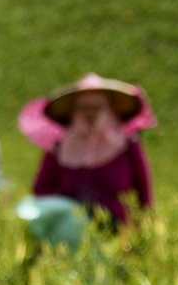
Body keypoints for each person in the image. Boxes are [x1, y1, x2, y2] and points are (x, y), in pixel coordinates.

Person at [28, 73, 154, 230]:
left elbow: (144, 190)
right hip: (70, 230)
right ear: (74, 110)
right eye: (84, 108)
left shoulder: (126, 145)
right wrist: (60, 210)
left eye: (97, 107)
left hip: (119, 230)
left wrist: (143, 227)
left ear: (109, 108)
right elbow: (41, 188)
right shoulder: (60, 148)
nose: (90, 114)